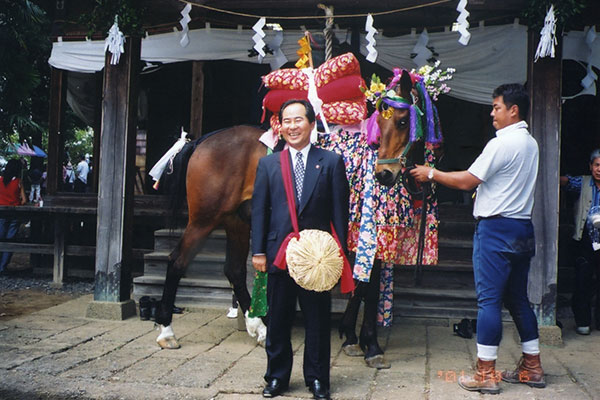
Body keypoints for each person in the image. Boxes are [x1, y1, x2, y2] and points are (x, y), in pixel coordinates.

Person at [411, 83, 544, 393]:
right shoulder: (531, 143)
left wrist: (431, 173)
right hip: (522, 228)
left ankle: (486, 373)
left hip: (496, 230)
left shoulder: (501, 144)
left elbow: (468, 180)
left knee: (488, 302)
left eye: (497, 107)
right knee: (518, 300)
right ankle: (532, 365)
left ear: (514, 110)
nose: (492, 113)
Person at [251, 99, 349, 399]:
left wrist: (339, 255)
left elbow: (339, 212)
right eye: (286, 121)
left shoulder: (331, 161)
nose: (292, 126)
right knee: (278, 318)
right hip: (279, 253)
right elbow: (259, 211)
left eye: (298, 120)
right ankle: (277, 377)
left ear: (311, 123)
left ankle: (318, 378)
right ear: (279, 126)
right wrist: (258, 252)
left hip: (317, 259)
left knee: (317, 320)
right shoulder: (268, 164)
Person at [560, 149, 600, 335]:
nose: (599, 169)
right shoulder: (583, 183)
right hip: (585, 240)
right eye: (597, 165)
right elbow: (563, 181)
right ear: (591, 166)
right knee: (582, 280)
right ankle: (583, 322)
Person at [0, 159, 27, 273]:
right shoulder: (19, 182)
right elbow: (24, 200)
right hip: (14, 213)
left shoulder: (0, 180)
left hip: (1, 212)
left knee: (1, 238)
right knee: (10, 240)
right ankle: (2, 266)